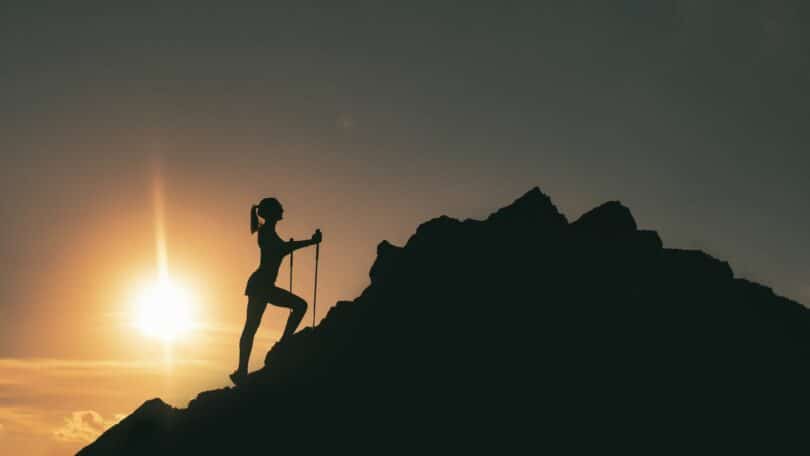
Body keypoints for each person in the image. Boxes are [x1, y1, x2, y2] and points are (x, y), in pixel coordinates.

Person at [230, 197, 321, 385]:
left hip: (262, 285)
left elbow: (282, 248)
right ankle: (248, 366)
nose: (283, 210)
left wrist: (306, 243)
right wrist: (310, 242)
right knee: (253, 326)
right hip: (261, 286)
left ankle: (243, 370)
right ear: (272, 212)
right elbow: (281, 249)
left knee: (252, 327)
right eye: (280, 208)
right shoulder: (265, 233)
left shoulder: (267, 232)